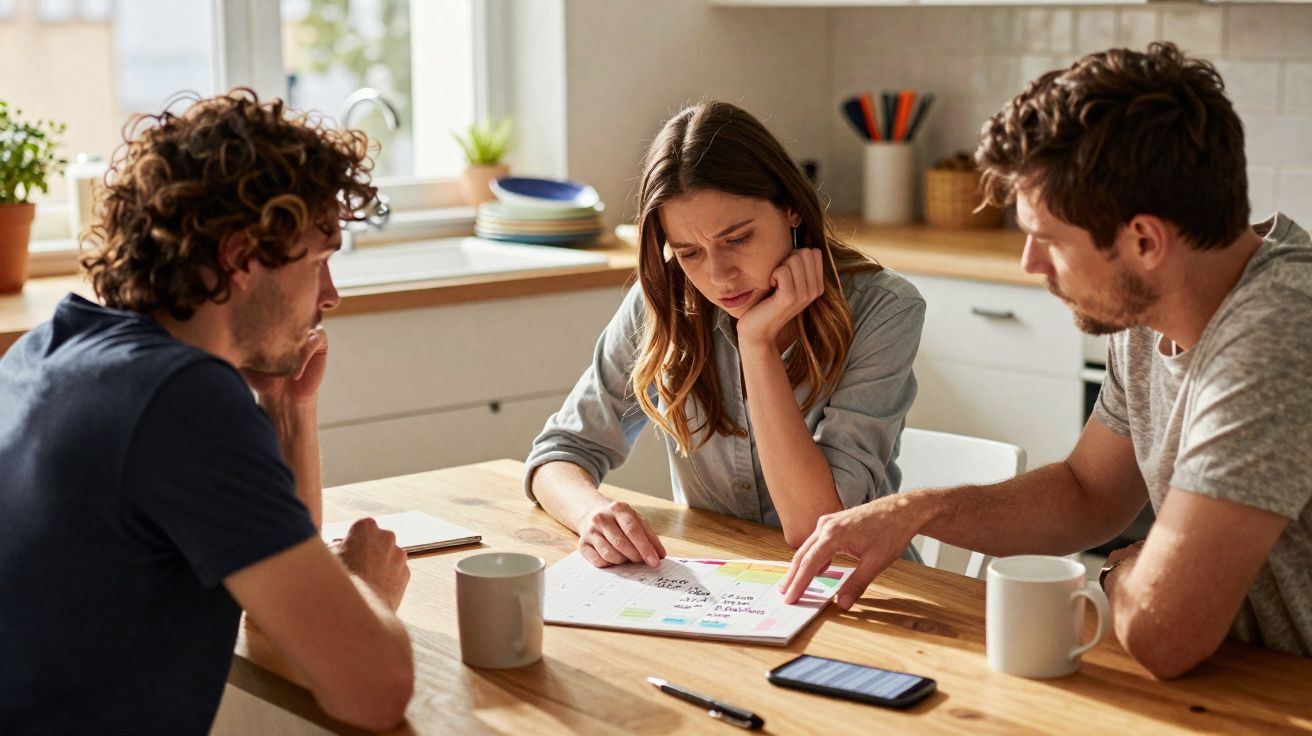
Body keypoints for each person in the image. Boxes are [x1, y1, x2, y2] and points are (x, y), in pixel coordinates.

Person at [781, 43, 1312, 679]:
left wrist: (1120, 570)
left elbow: (1164, 634)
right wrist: (918, 510)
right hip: (1241, 681)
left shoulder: (1279, 331)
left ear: (1144, 240)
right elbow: (1088, 493)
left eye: (1049, 240)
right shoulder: (1151, 307)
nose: (1029, 265)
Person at [0, 90, 414, 733]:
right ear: (241, 257)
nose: (331, 296)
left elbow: (276, 602)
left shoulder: (46, 353)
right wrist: (366, 584)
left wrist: (286, 408)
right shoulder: (179, 401)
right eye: (321, 260)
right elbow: (374, 690)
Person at [525, 101, 926, 567]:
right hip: (724, 587)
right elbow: (558, 453)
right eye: (689, 251)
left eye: (738, 240)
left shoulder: (884, 309)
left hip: (864, 589)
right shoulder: (663, 305)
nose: (720, 277)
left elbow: (814, 526)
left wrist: (756, 344)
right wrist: (591, 512)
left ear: (792, 208)